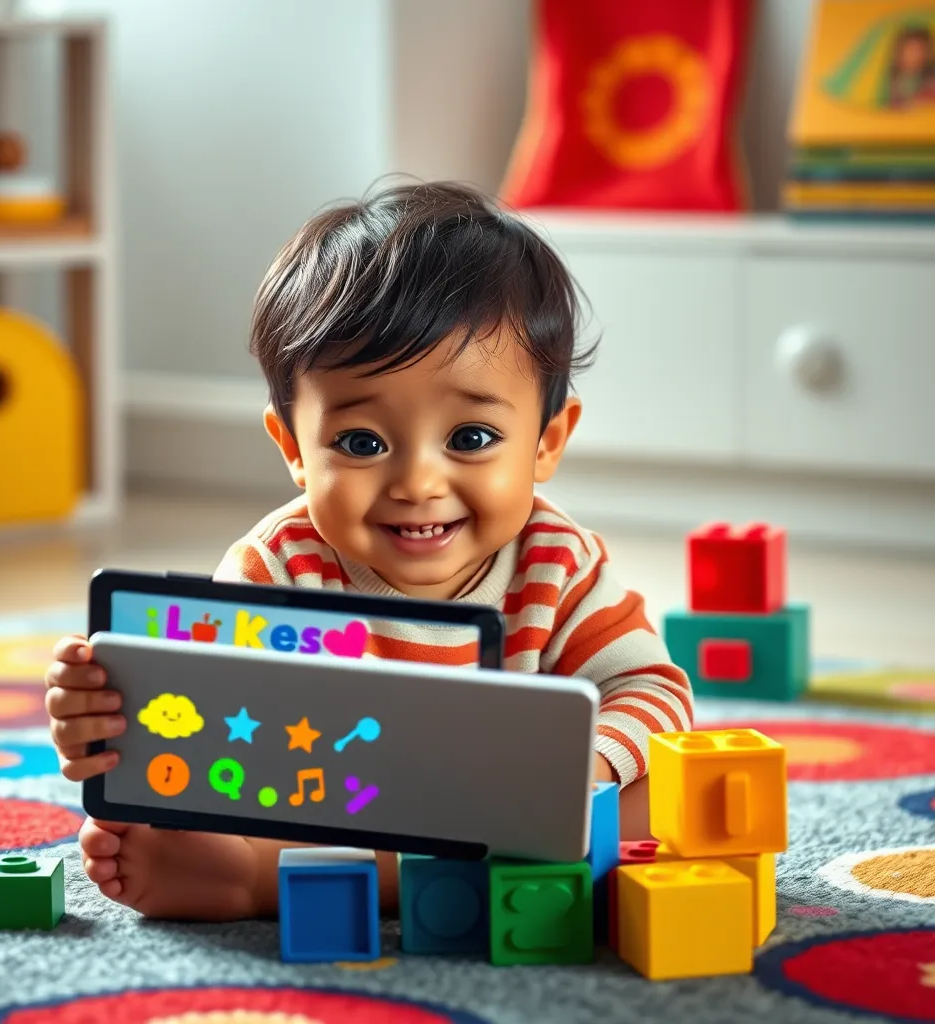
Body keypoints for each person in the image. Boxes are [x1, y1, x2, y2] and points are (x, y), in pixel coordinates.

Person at [44, 181, 692, 922]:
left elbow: (654, 688)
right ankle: (256, 868)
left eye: (470, 439)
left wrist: (583, 769)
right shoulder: (275, 567)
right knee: (208, 802)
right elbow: (206, 726)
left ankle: (268, 883)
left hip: (520, 814)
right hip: (342, 811)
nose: (418, 482)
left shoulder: (559, 562)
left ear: (547, 441)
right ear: (292, 447)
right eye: (361, 443)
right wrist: (102, 721)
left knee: (664, 794)